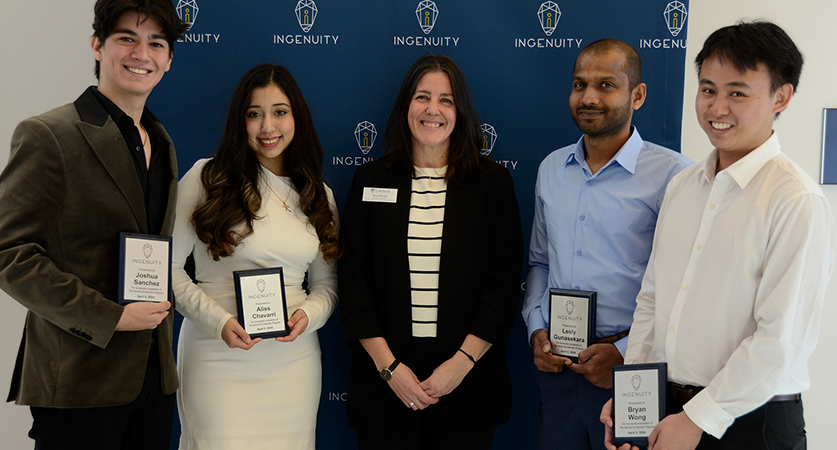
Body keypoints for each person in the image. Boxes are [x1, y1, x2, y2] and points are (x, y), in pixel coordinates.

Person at [601, 21, 835, 450]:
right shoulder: (682, 186)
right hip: (670, 411)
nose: (717, 107)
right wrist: (632, 392)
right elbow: (652, 299)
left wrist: (697, 419)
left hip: (750, 423)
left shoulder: (795, 198)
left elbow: (778, 342)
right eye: (708, 90)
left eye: (738, 93)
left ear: (780, 96)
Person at [0, 0, 186, 448]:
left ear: (168, 60)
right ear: (97, 46)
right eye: (127, 38)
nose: (142, 54)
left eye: (155, 43)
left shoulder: (162, 142)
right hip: (80, 383)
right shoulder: (49, 134)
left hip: (153, 381)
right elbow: (9, 253)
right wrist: (110, 317)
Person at [338, 54, 523, 449]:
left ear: (461, 112)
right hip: (384, 387)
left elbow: (503, 286)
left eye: (446, 100)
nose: (433, 110)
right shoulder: (370, 179)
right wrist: (390, 370)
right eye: (423, 97)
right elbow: (353, 282)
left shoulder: (492, 184)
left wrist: (460, 366)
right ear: (407, 105)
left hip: (467, 388)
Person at [521, 39, 692, 450]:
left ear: (638, 94)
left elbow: (686, 285)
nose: (589, 97)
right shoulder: (551, 169)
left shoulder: (675, 176)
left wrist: (623, 350)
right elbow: (540, 263)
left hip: (633, 372)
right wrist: (535, 329)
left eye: (606, 85)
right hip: (559, 368)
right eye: (579, 85)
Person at [171, 63, 339, 449]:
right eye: (254, 114)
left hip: (293, 362)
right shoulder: (206, 178)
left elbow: (328, 285)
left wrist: (307, 317)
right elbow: (169, 270)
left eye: (279, 112)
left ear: (296, 117)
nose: (268, 127)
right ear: (239, 121)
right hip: (217, 357)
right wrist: (218, 322)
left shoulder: (319, 195)